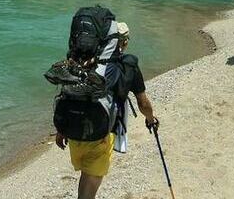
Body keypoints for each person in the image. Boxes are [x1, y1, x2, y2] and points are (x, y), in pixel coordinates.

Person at [55, 22, 158, 199]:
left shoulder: (84, 61)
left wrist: (60, 130)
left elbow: (68, 94)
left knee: (85, 177)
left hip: (73, 131)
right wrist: (151, 119)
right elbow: (143, 103)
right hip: (101, 133)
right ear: (124, 42)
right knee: (90, 181)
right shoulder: (128, 65)